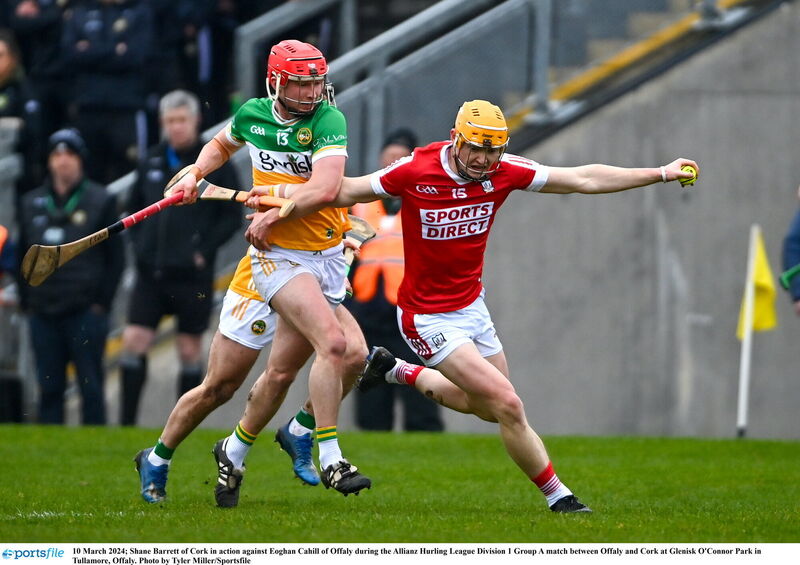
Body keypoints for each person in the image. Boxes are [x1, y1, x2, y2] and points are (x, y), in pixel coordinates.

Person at [248, 99, 699, 513]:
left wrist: (659, 172)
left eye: (493, 151)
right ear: (455, 138)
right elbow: (344, 190)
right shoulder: (416, 168)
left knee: (485, 407)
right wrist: (280, 202)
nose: (484, 160)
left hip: (472, 310)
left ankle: (394, 370)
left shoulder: (506, 171)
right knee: (508, 403)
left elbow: (580, 178)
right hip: (425, 316)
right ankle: (560, 498)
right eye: (475, 149)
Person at [134, 39, 371, 506]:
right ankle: (158, 457)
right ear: (276, 82)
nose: (310, 92)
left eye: (315, 82)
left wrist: (275, 208)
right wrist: (195, 172)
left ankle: (257, 443)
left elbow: (324, 187)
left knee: (334, 361)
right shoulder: (252, 115)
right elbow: (221, 144)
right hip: (273, 259)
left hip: (319, 259)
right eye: (300, 84)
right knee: (221, 385)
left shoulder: (328, 120)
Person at [119, 90, 241, 426]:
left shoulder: (214, 163)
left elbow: (231, 215)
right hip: (151, 273)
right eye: (169, 121)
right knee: (134, 341)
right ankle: (124, 424)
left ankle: (182, 423)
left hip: (192, 275)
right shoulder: (152, 160)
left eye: (181, 120)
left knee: (189, 350)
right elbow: (134, 208)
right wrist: (141, 247)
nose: (175, 127)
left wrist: (203, 250)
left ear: (195, 121)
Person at [16, 128, 124, 424]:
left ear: (81, 160)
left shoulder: (101, 200)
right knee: (49, 386)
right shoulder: (30, 203)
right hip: (43, 310)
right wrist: (27, 301)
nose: (63, 161)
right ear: (49, 161)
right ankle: (49, 445)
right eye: (57, 154)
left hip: (85, 311)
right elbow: (22, 255)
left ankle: (96, 446)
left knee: (91, 384)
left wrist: (101, 304)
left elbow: (116, 259)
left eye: (70, 154)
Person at [347, 128, 444, 432]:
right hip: (367, 309)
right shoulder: (361, 202)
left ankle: (425, 437)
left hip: (410, 309)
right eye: (387, 159)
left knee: (418, 388)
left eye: (399, 159)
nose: (392, 165)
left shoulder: (426, 201)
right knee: (371, 387)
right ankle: (374, 438)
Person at [60, 0, 154, 184]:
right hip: (89, 107)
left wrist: (91, 51)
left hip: (126, 106)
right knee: (90, 172)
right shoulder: (79, 12)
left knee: (131, 170)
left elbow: (137, 55)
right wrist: (115, 50)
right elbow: (69, 55)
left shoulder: (139, 10)